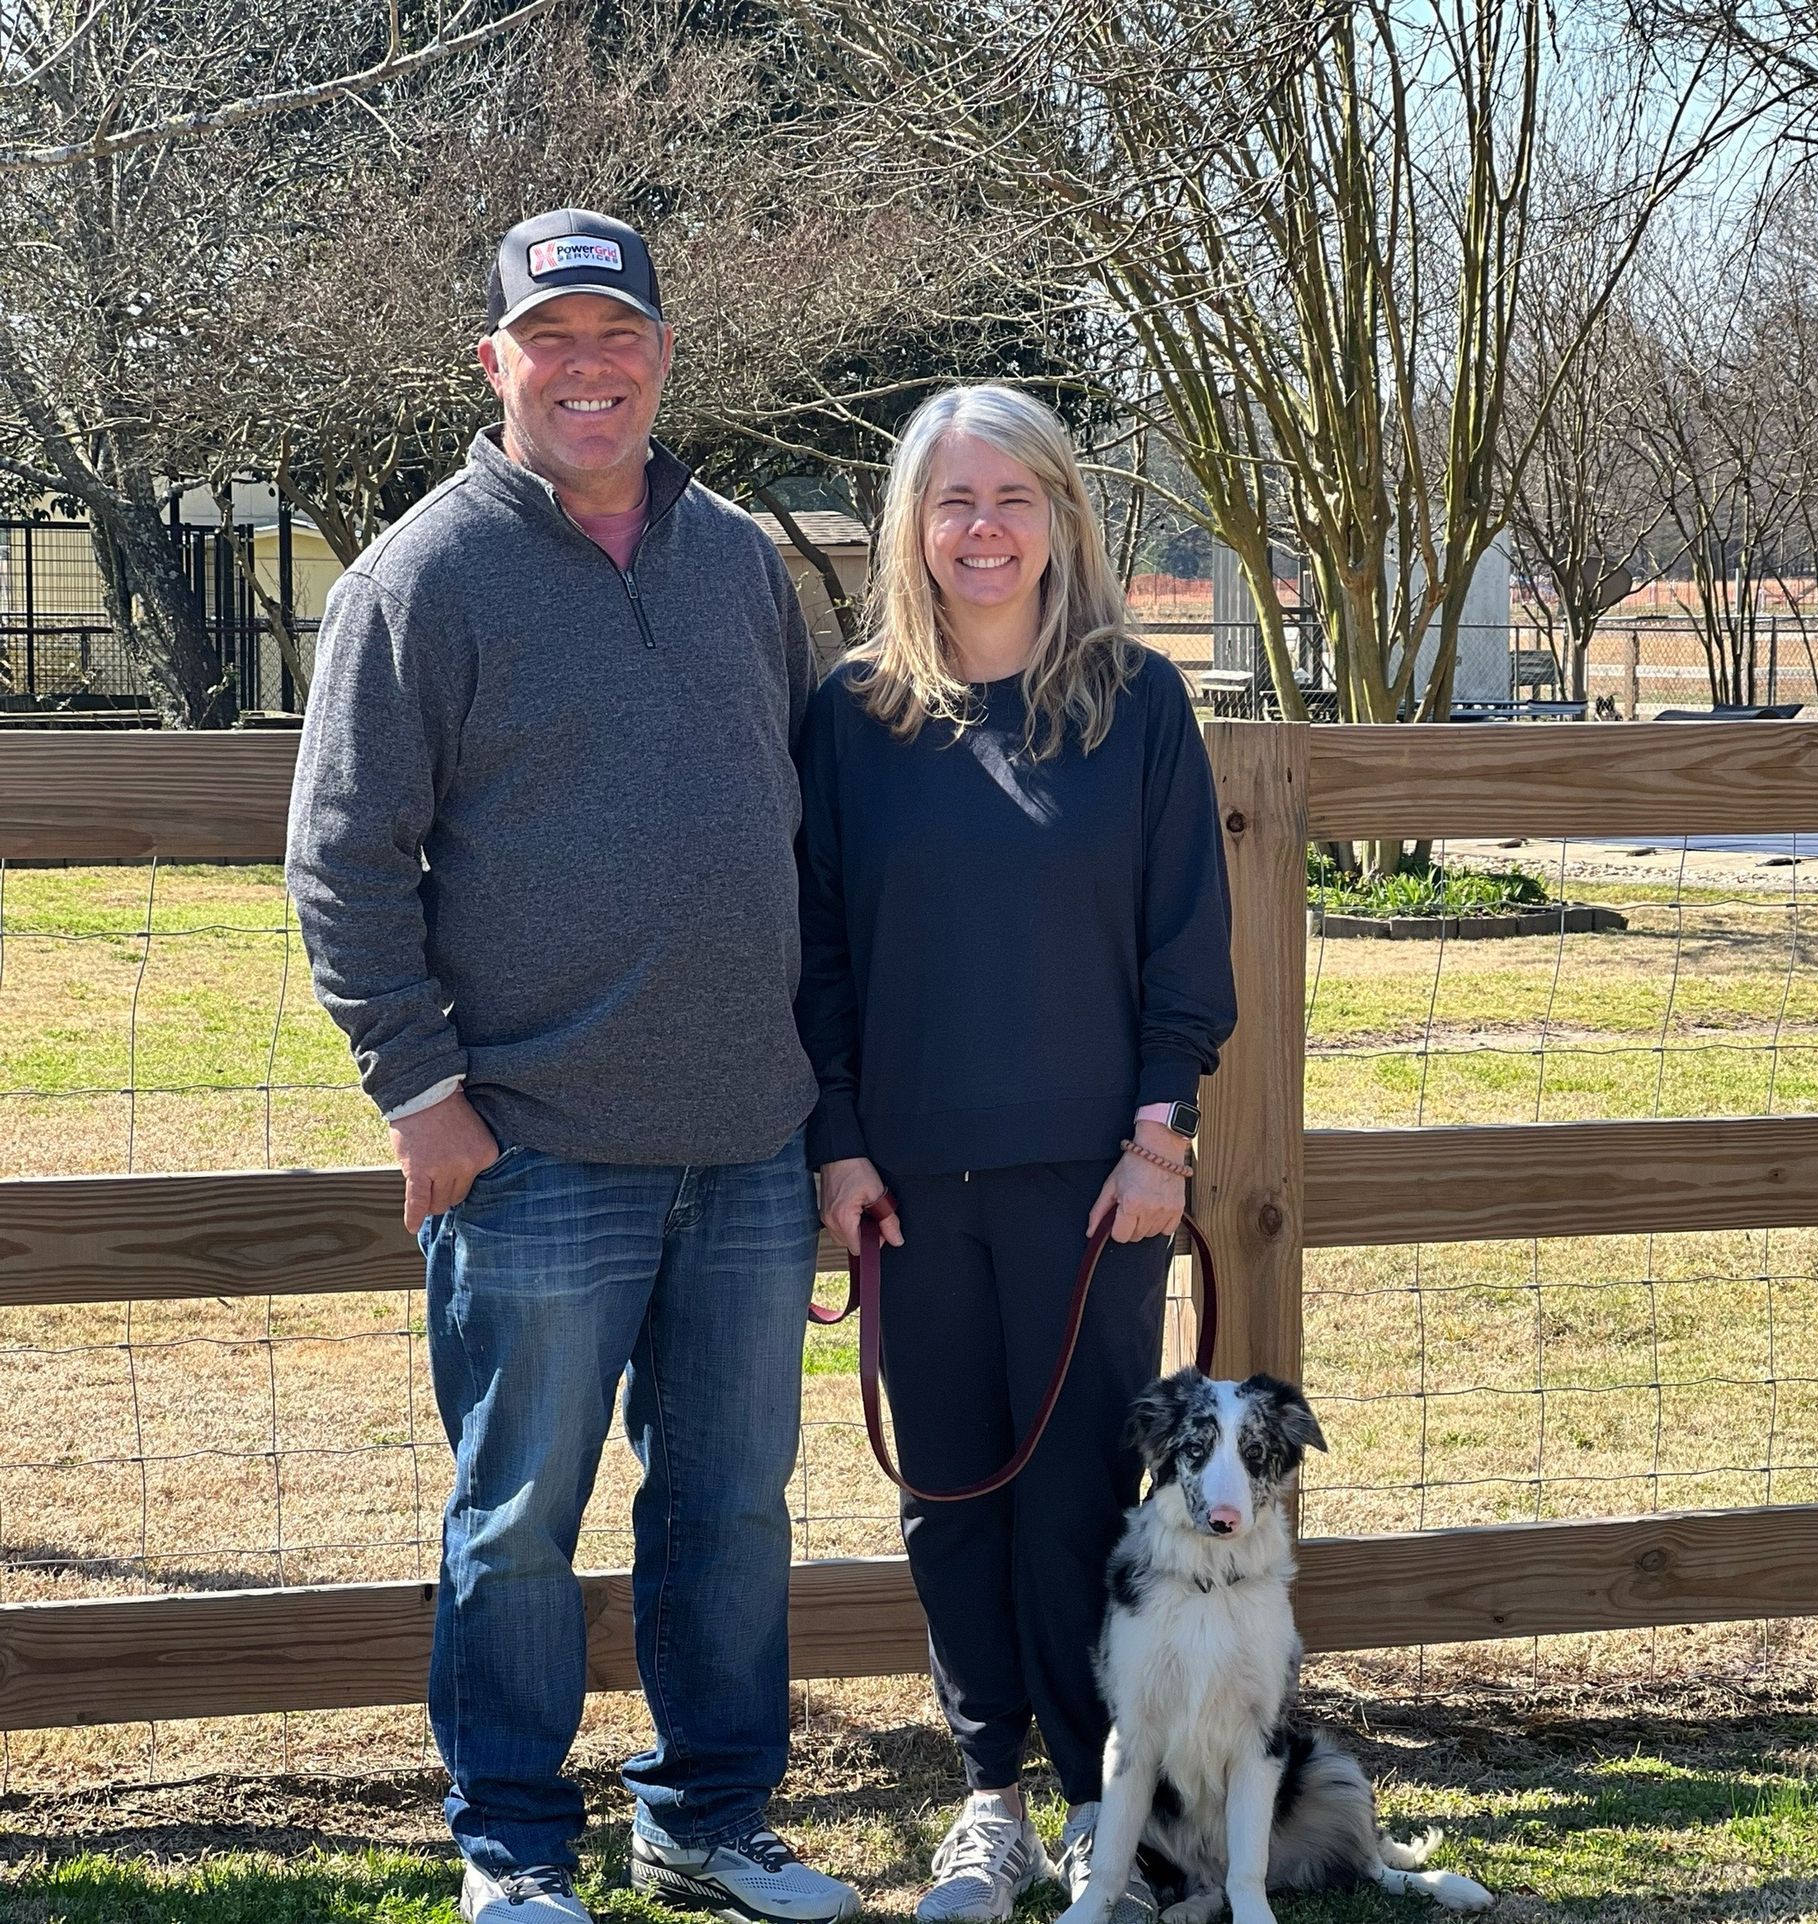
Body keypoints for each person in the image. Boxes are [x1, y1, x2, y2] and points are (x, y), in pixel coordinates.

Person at [286, 207, 861, 1924]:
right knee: (519, 1524)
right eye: (554, 340)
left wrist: (826, 1112)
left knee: (732, 1513)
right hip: (533, 1147)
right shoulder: (422, 577)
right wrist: (417, 1089)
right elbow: (342, 859)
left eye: (619, 336)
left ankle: (707, 1817)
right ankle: (517, 1848)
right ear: (496, 364)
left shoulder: (741, 562)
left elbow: (800, 838)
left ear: (665, 356)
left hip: (750, 1144)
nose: (589, 369)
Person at [795, 385, 1236, 1924]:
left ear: (1063, 519)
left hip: (1089, 1189)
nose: (983, 530)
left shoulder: (1136, 705)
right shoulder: (852, 717)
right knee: (951, 1499)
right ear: (912, 524)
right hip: (908, 1192)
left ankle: (1112, 1812)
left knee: (1084, 1503)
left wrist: (1161, 1141)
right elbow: (819, 959)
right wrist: (840, 1154)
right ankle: (988, 1802)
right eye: (953, 500)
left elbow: (1185, 946)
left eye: (1015, 499)